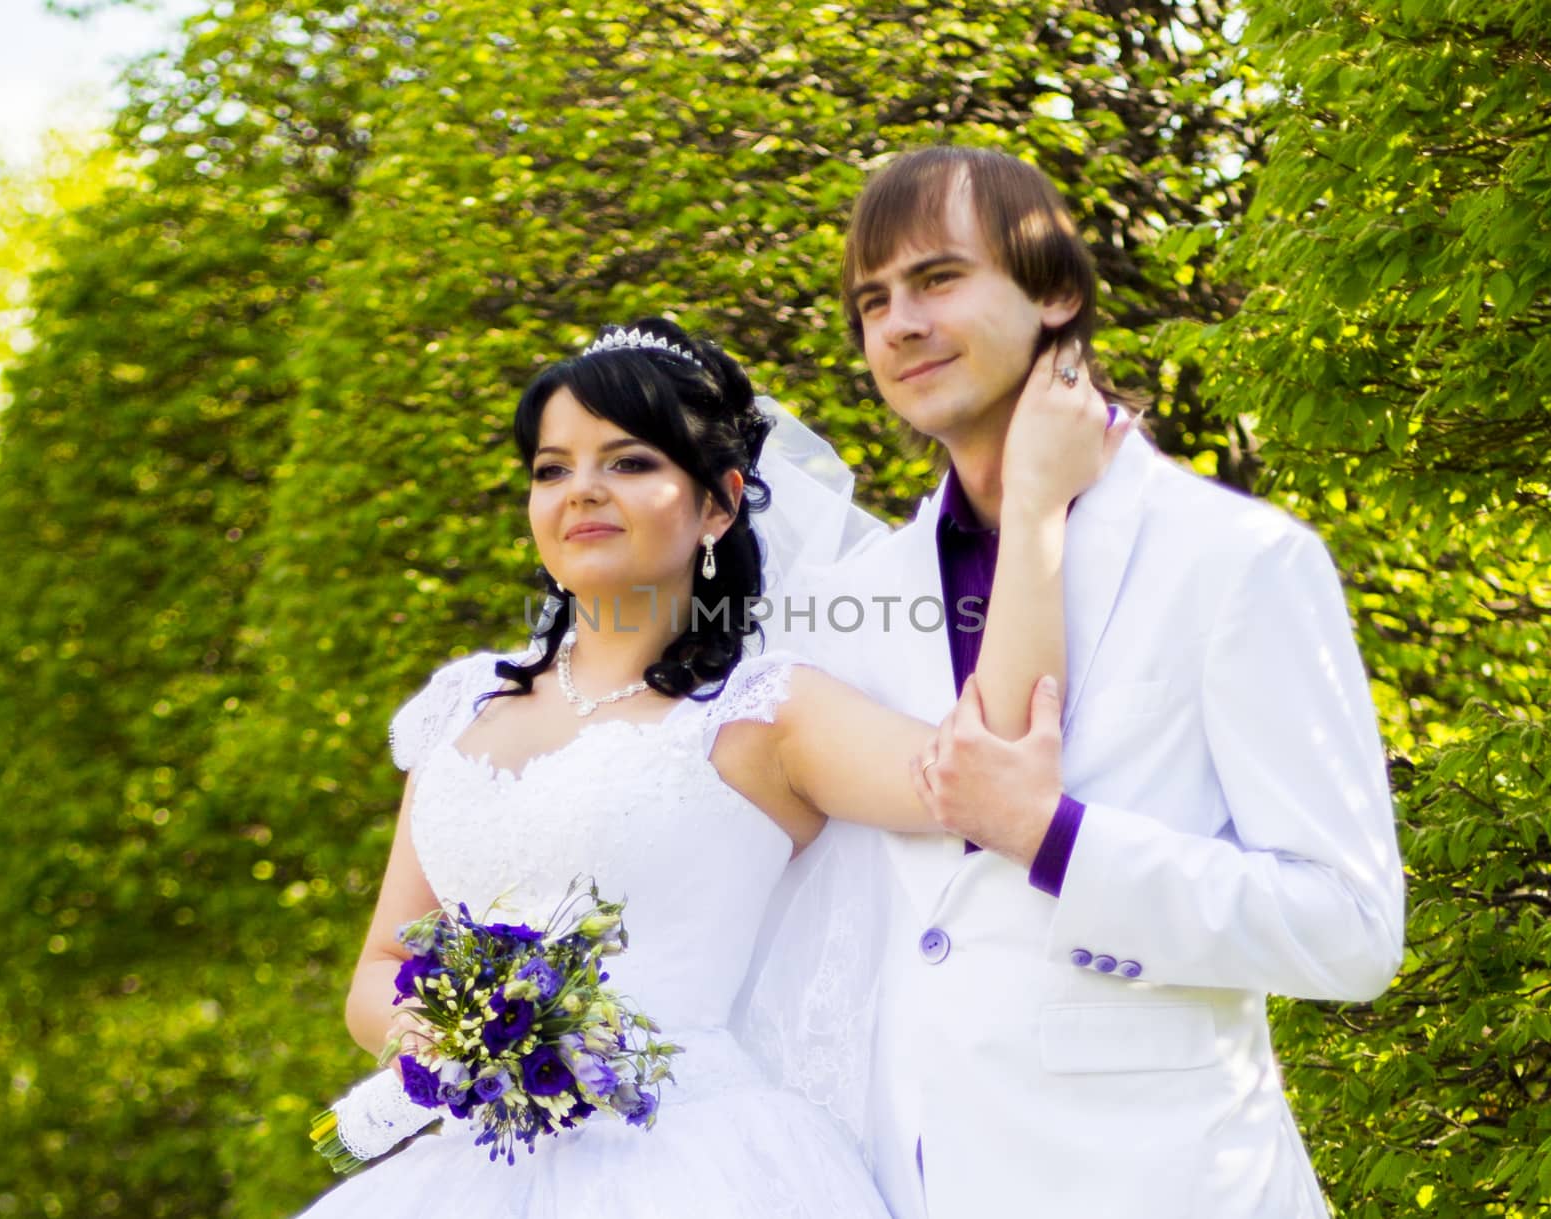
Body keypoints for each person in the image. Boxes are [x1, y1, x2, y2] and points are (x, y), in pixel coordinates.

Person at [295, 316, 1120, 1218]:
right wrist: (464, 1040)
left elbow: (989, 761)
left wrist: (1036, 506)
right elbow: (380, 965)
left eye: (630, 462)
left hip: (694, 1166)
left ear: (720, 504)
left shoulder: (762, 713)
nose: (582, 491)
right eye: (552, 468)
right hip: (468, 1168)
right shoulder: (463, 706)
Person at [799, 145, 1406, 1218]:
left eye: (937, 278)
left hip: (1165, 1184)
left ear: (1056, 292)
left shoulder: (1238, 559)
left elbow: (1348, 926)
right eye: (870, 299)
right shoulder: (861, 589)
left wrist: (1059, 840)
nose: (896, 323)